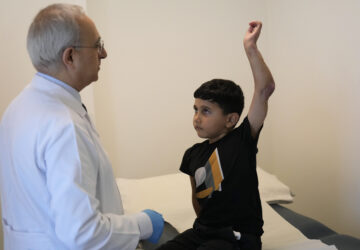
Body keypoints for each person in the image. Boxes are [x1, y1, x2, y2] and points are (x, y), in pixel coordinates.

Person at [0, 4, 164, 250]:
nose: (104, 53)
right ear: (70, 57)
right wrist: (143, 224)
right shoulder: (64, 125)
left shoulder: (18, 108)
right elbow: (83, 233)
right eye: (98, 45)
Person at [157, 21, 275, 250]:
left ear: (231, 119)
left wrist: (251, 48)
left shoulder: (242, 141)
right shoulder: (192, 155)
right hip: (203, 232)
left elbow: (265, 89)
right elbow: (198, 198)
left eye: (206, 111)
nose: (197, 117)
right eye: (195, 109)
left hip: (239, 238)